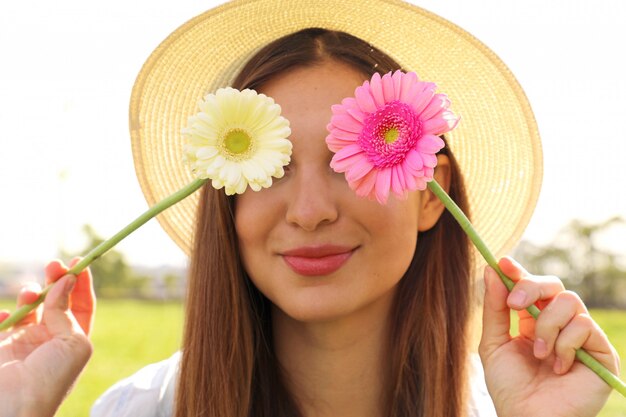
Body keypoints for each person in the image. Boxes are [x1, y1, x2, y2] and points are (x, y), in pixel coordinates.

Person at [0, 2, 620, 417]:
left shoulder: (512, 408)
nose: (310, 210)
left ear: (431, 191)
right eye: (270, 167)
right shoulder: (136, 410)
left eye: (351, 159)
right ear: (226, 195)